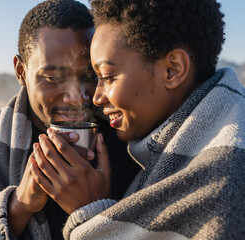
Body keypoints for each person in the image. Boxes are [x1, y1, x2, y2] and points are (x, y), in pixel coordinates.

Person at [0, 0, 139, 239]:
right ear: (21, 71)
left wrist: (95, 212)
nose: (77, 98)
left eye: (89, 75)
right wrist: (18, 206)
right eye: (54, 78)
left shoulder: (128, 134)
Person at [31, 0, 245, 239]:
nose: (97, 98)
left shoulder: (223, 184)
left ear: (172, 70)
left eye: (109, 77)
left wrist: (91, 215)